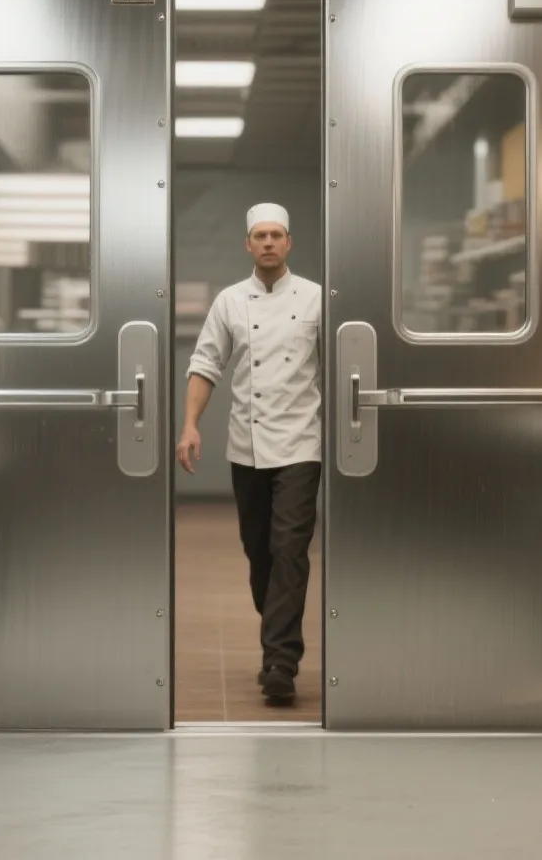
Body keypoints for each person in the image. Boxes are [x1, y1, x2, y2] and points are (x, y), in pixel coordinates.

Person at [177, 203, 322, 707]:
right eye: (259, 235)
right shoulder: (230, 302)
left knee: (289, 549)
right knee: (259, 552)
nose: (267, 242)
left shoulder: (317, 299)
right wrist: (190, 424)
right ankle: (277, 633)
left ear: (289, 243)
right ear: (248, 244)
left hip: (302, 442)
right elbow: (206, 362)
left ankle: (280, 660)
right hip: (247, 443)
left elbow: (345, 363)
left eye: (276, 235)